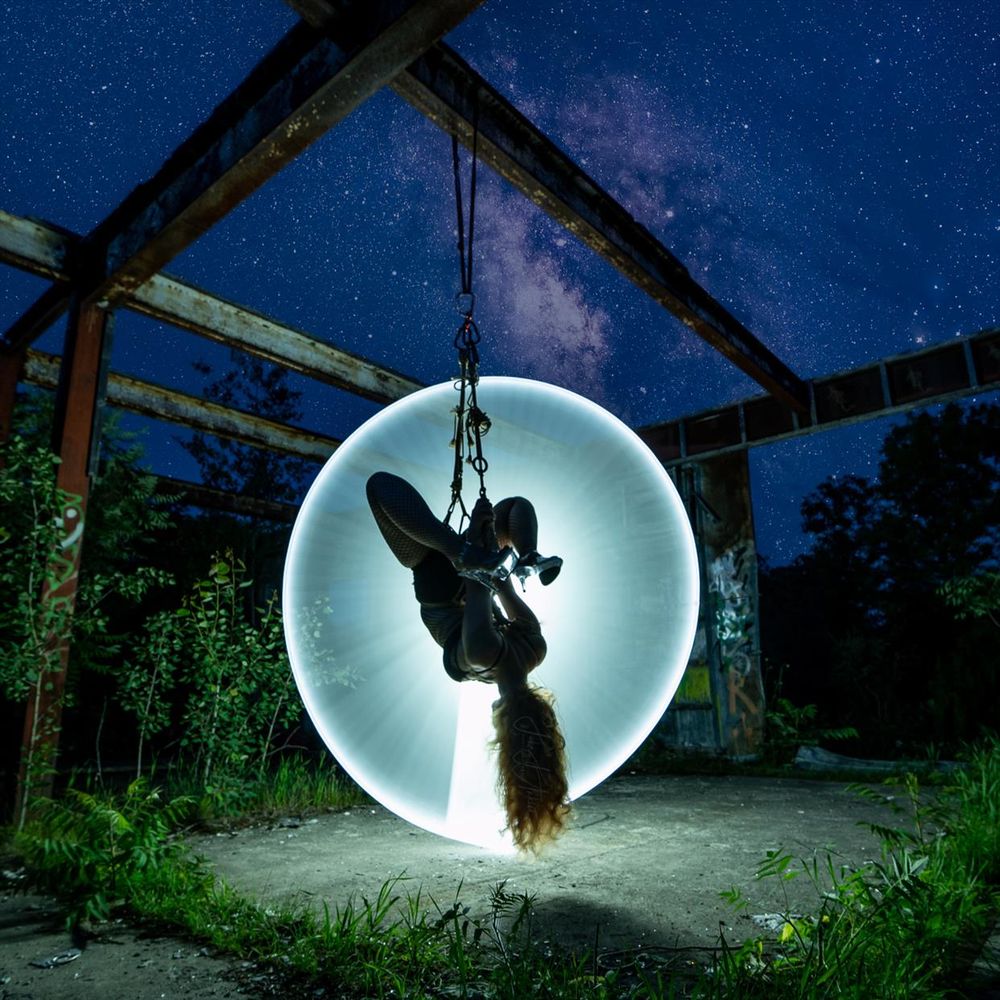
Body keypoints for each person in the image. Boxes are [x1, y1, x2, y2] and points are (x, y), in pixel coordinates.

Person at [365, 471, 569, 852]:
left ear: (543, 710)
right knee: (377, 488)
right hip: (440, 577)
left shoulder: (534, 650)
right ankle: (519, 554)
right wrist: (475, 539)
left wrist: (492, 545)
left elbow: (500, 585)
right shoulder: (480, 655)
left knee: (515, 510)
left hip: (459, 573)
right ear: (500, 719)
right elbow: (478, 578)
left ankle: (529, 555)